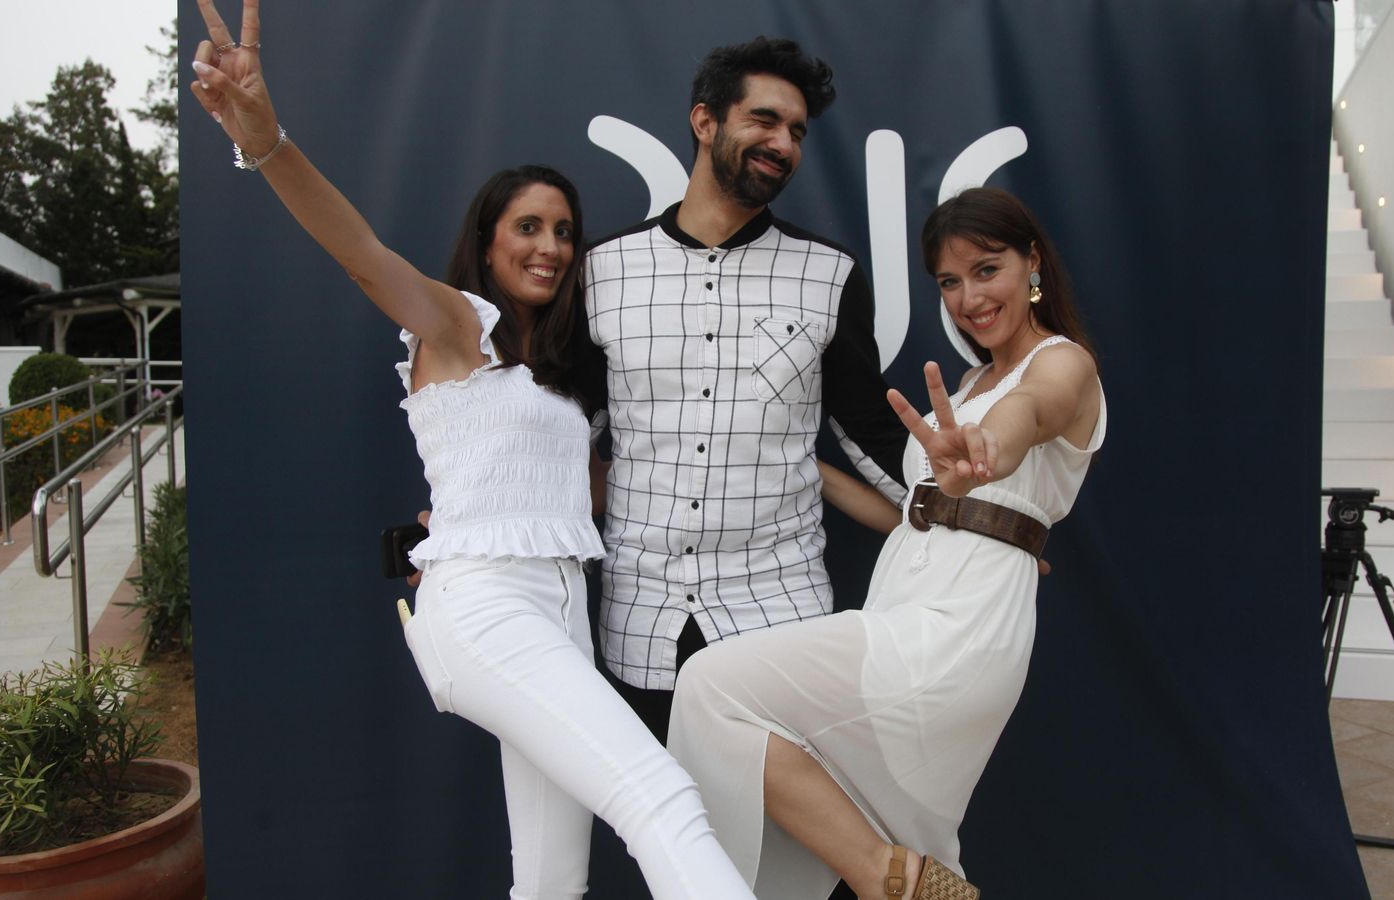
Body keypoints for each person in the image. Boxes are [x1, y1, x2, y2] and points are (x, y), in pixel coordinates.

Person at [185, 3, 755, 898]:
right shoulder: (456, 324)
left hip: (565, 605)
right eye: (528, 226)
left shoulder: (559, 371)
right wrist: (265, 140)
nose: (552, 246)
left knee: (553, 877)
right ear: (488, 240)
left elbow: (590, 489)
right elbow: (360, 255)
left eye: (564, 230)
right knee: (660, 795)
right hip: (486, 607)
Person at [667, 187, 1107, 900]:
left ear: (1033, 265)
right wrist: (794, 462)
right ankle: (907, 879)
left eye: (986, 269)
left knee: (712, 688)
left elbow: (1034, 410)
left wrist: (991, 447)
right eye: (950, 281)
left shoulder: (1063, 365)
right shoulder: (969, 384)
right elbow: (910, 511)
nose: (969, 297)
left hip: (960, 624)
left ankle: (884, 877)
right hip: (905, 600)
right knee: (737, 719)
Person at [582, 37, 909, 744]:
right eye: (764, 120)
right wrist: (472, 535)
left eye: (796, 131)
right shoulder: (603, 271)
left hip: (780, 612)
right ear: (706, 121)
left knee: (789, 841)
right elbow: (565, 433)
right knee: (668, 840)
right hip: (643, 619)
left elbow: (870, 433)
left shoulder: (828, 274)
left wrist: (979, 521)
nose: (783, 143)